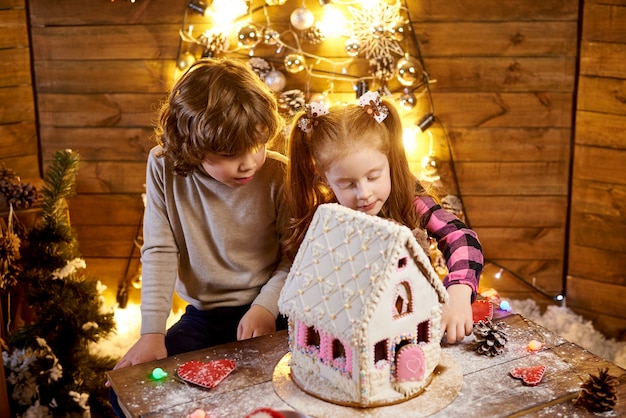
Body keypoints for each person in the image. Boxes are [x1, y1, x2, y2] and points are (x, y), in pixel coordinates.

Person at [108, 57, 289, 413]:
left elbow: (294, 256)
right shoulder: (162, 164)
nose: (249, 162)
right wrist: (151, 334)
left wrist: (266, 308)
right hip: (204, 317)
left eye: (258, 143)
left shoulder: (278, 174)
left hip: (273, 313)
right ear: (192, 146)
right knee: (129, 394)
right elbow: (159, 249)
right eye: (228, 154)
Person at [283, 91, 483, 344]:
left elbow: (461, 237)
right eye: (347, 184)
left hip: (417, 327)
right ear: (324, 179)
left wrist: (458, 292)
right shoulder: (327, 219)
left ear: (389, 160)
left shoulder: (408, 199)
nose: (364, 193)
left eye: (373, 176)